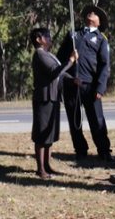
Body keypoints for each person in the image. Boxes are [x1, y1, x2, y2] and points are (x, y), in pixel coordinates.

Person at [58, 4, 112, 162]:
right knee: (74, 121)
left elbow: (104, 66)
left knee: (97, 120)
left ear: (99, 22)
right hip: (72, 85)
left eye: (95, 13)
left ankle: (104, 150)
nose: (91, 14)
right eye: (89, 12)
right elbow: (59, 60)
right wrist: (65, 79)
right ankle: (80, 149)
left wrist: (100, 88)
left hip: (91, 86)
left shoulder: (101, 39)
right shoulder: (73, 35)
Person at [30, 27, 78, 180]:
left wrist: (72, 80)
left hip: (53, 97)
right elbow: (54, 72)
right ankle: (41, 169)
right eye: (46, 36)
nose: (50, 38)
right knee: (41, 135)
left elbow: (60, 74)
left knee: (49, 134)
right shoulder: (39, 55)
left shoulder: (48, 55)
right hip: (43, 98)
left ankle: (47, 165)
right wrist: (70, 60)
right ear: (38, 39)